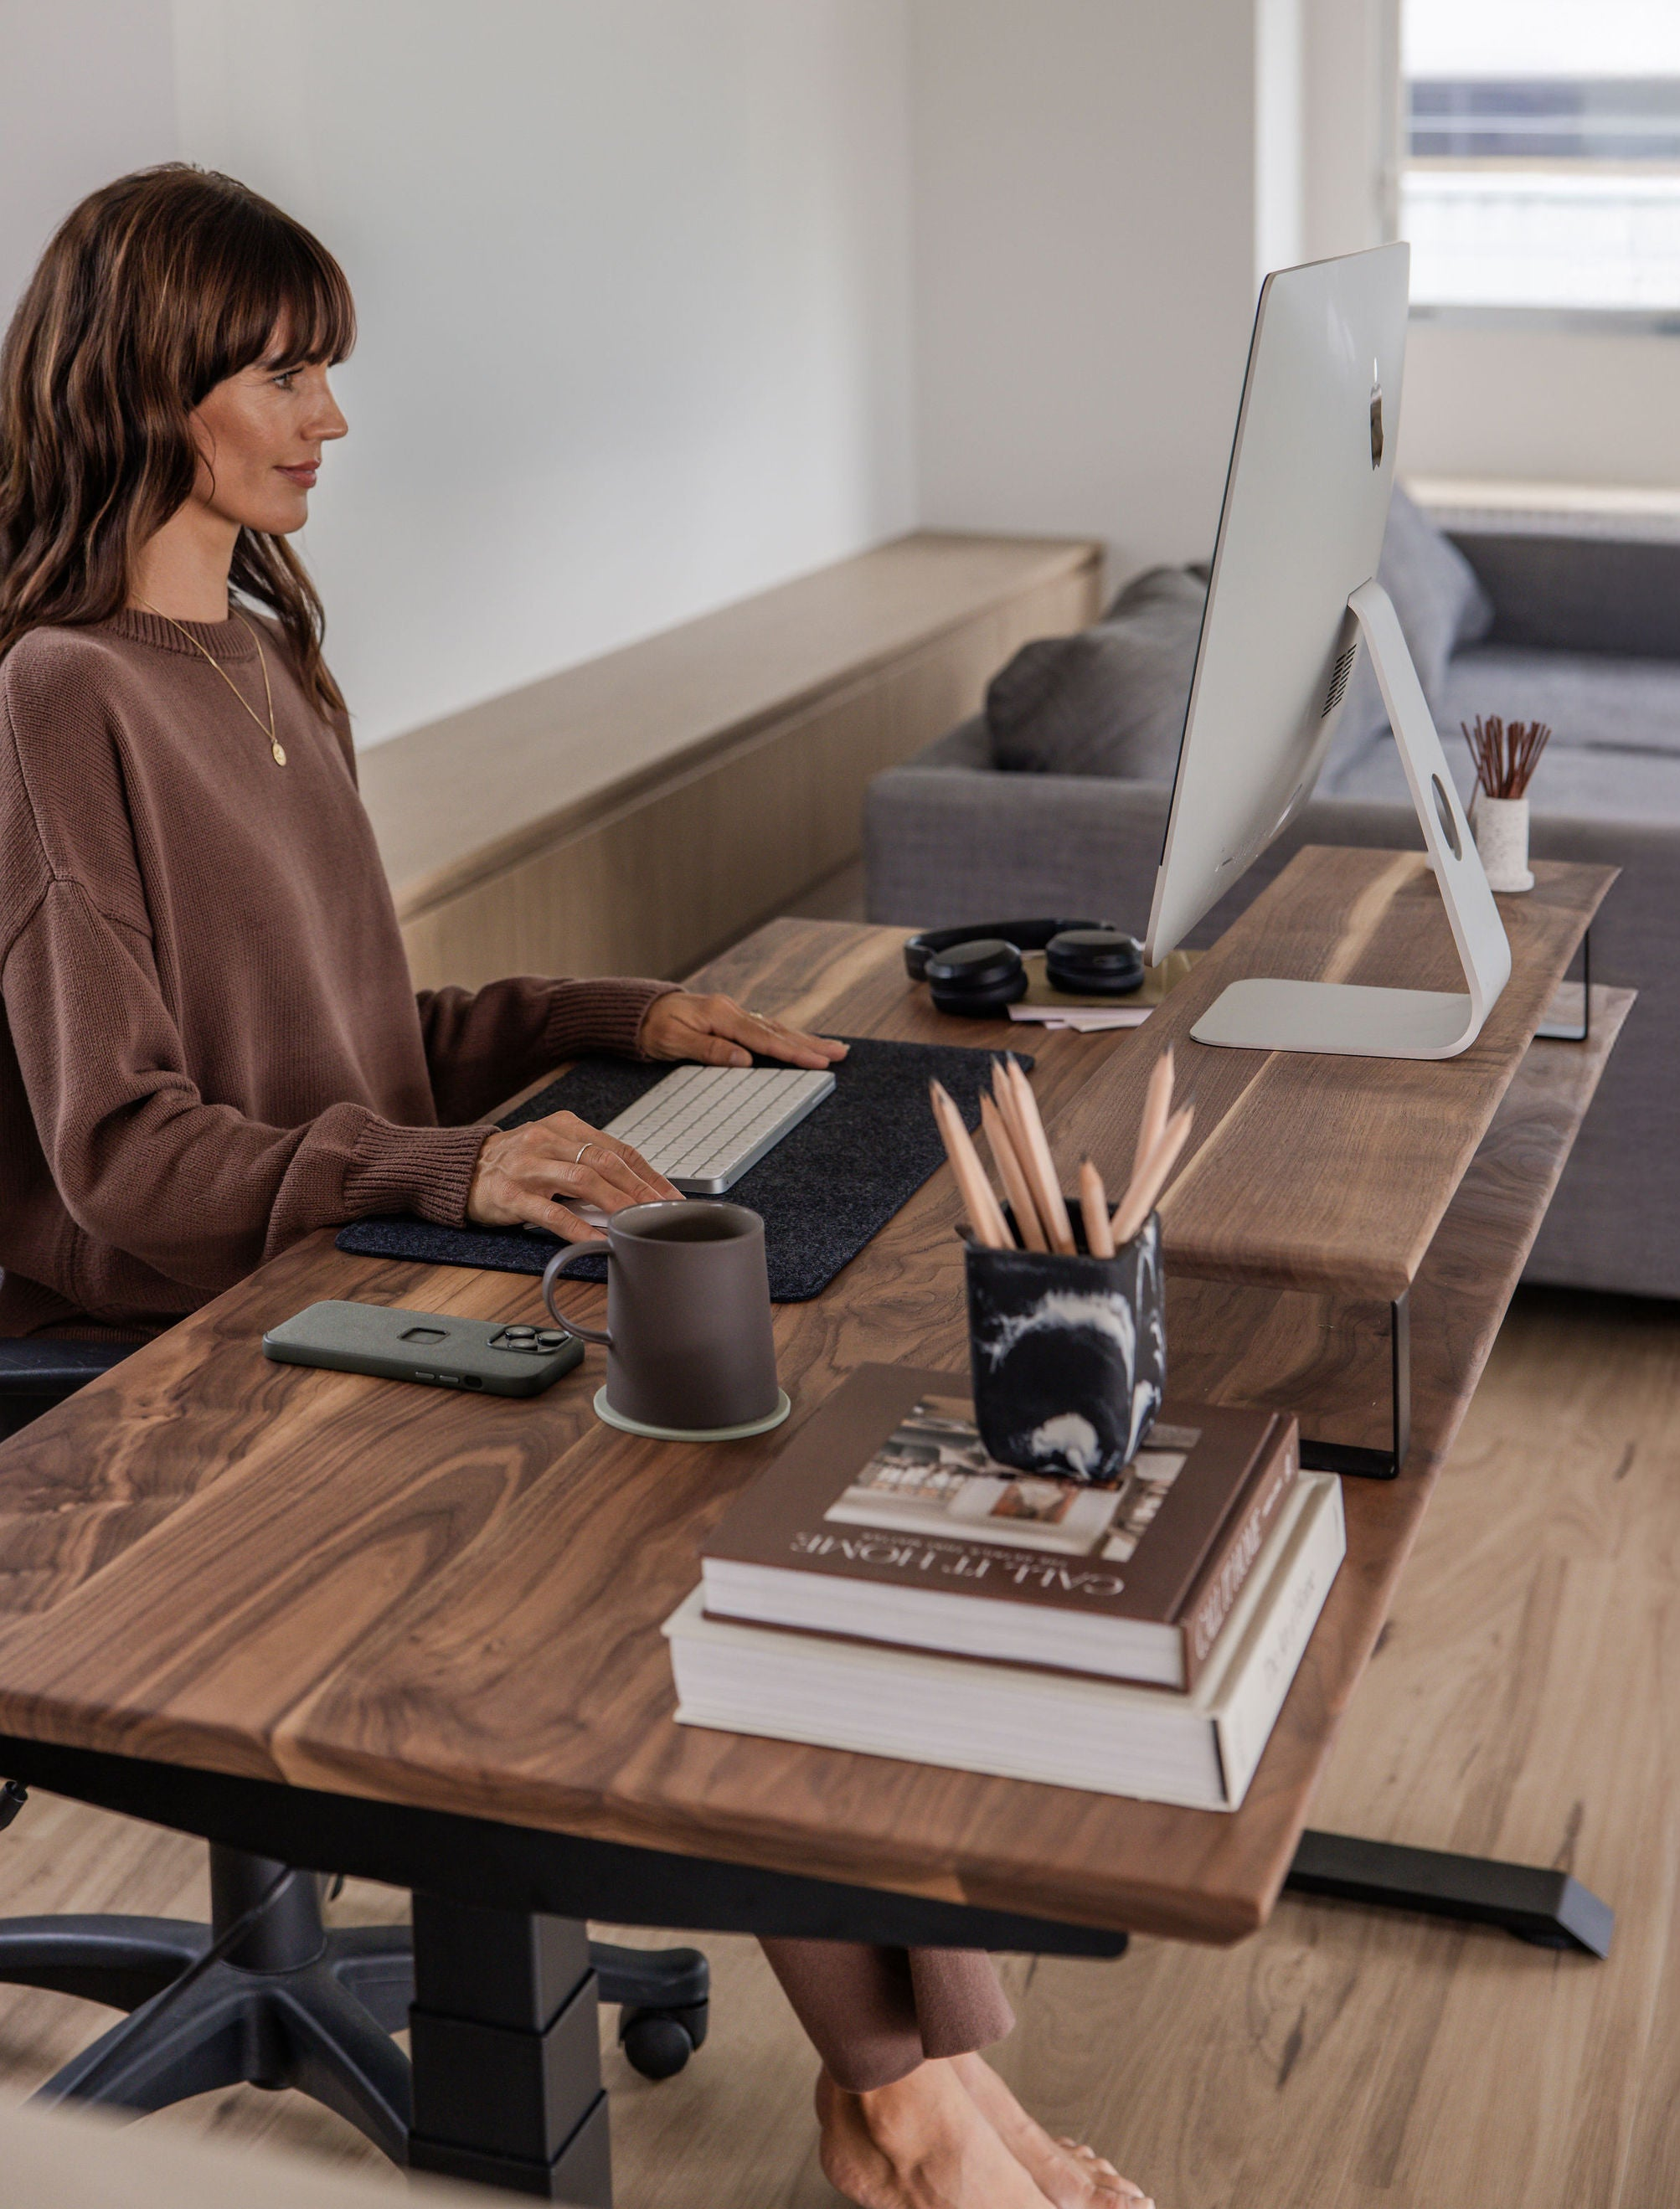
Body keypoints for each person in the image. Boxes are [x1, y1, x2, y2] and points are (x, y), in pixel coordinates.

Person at [0, 166, 1147, 2209]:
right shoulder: (52, 697)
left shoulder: (265, 655)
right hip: (176, 1322)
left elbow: (352, 1032)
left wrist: (617, 1011)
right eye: (284, 371)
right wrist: (449, 1162)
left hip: (351, 1242)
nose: (330, 416)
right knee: (701, 1494)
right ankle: (901, 2100)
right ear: (150, 383)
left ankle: (928, 2083)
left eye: (329, 369)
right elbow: (121, 1148)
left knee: (765, 1439)